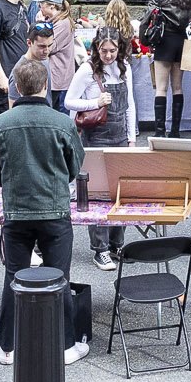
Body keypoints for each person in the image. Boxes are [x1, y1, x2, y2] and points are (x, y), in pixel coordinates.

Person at [0, 59, 89, 366]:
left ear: (16, 85)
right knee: (60, 278)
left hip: (17, 210)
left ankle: (9, 347)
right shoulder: (62, 123)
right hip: (54, 209)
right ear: (46, 85)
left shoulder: (0, 123)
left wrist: (12, 183)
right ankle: (65, 345)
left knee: (13, 277)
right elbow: (74, 167)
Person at [67, 29, 136, 268]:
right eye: (103, 50)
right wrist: (95, 102)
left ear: (119, 49)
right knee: (96, 194)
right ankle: (100, 249)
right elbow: (69, 101)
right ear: (96, 48)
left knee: (119, 192)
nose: (108, 55)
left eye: (113, 50)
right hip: (95, 137)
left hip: (119, 137)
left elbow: (130, 104)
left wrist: (132, 136)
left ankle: (117, 244)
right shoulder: (87, 70)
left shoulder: (124, 67)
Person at [143, 0, 191, 135]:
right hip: (183, 41)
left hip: (164, 41)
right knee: (178, 87)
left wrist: (145, 39)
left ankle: (160, 131)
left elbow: (147, 19)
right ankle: (175, 130)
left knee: (161, 88)